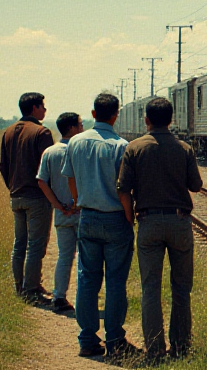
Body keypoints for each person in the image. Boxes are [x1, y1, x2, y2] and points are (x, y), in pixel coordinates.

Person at [118, 97, 202, 361]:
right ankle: (181, 348)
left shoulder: (134, 148)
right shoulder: (184, 149)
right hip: (179, 222)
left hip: (148, 222)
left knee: (150, 288)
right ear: (171, 120)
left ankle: (154, 350)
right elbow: (196, 185)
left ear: (146, 120)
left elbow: (123, 188)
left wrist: (130, 218)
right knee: (181, 288)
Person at [61, 93, 139, 360]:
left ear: (93, 114)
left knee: (87, 279)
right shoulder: (121, 146)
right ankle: (115, 340)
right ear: (116, 115)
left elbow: (70, 178)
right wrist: (129, 217)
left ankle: (87, 339)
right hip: (115, 218)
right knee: (115, 281)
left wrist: (78, 201)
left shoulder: (76, 142)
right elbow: (124, 190)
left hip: (88, 217)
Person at [0, 92, 55, 305]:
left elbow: (3, 166)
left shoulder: (8, 131)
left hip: (16, 196)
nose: (45, 110)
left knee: (20, 244)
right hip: (37, 196)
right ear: (34, 108)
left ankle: (20, 287)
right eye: (42, 106)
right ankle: (32, 290)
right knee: (36, 245)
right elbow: (48, 167)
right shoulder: (42, 132)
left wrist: (13, 187)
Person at [36, 112, 84, 313]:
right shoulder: (81, 150)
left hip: (62, 214)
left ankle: (59, 296)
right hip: (82, 213)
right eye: (80, 124)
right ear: (72, 128)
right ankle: (84, 299)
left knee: (64, 256)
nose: (82, 128)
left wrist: (57, 205)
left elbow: (42, 181)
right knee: (84, 258)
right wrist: (77, 203)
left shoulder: (50, 152)